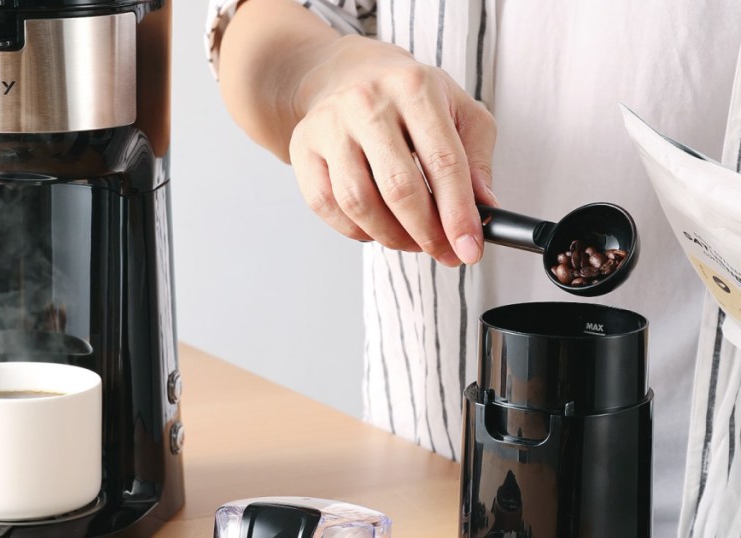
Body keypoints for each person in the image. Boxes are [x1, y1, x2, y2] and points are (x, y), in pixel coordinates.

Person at [205, 1, 741, 535]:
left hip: (717, 489)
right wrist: (325, 72)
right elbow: (255, 22)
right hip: (421, 479)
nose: (588, 264)